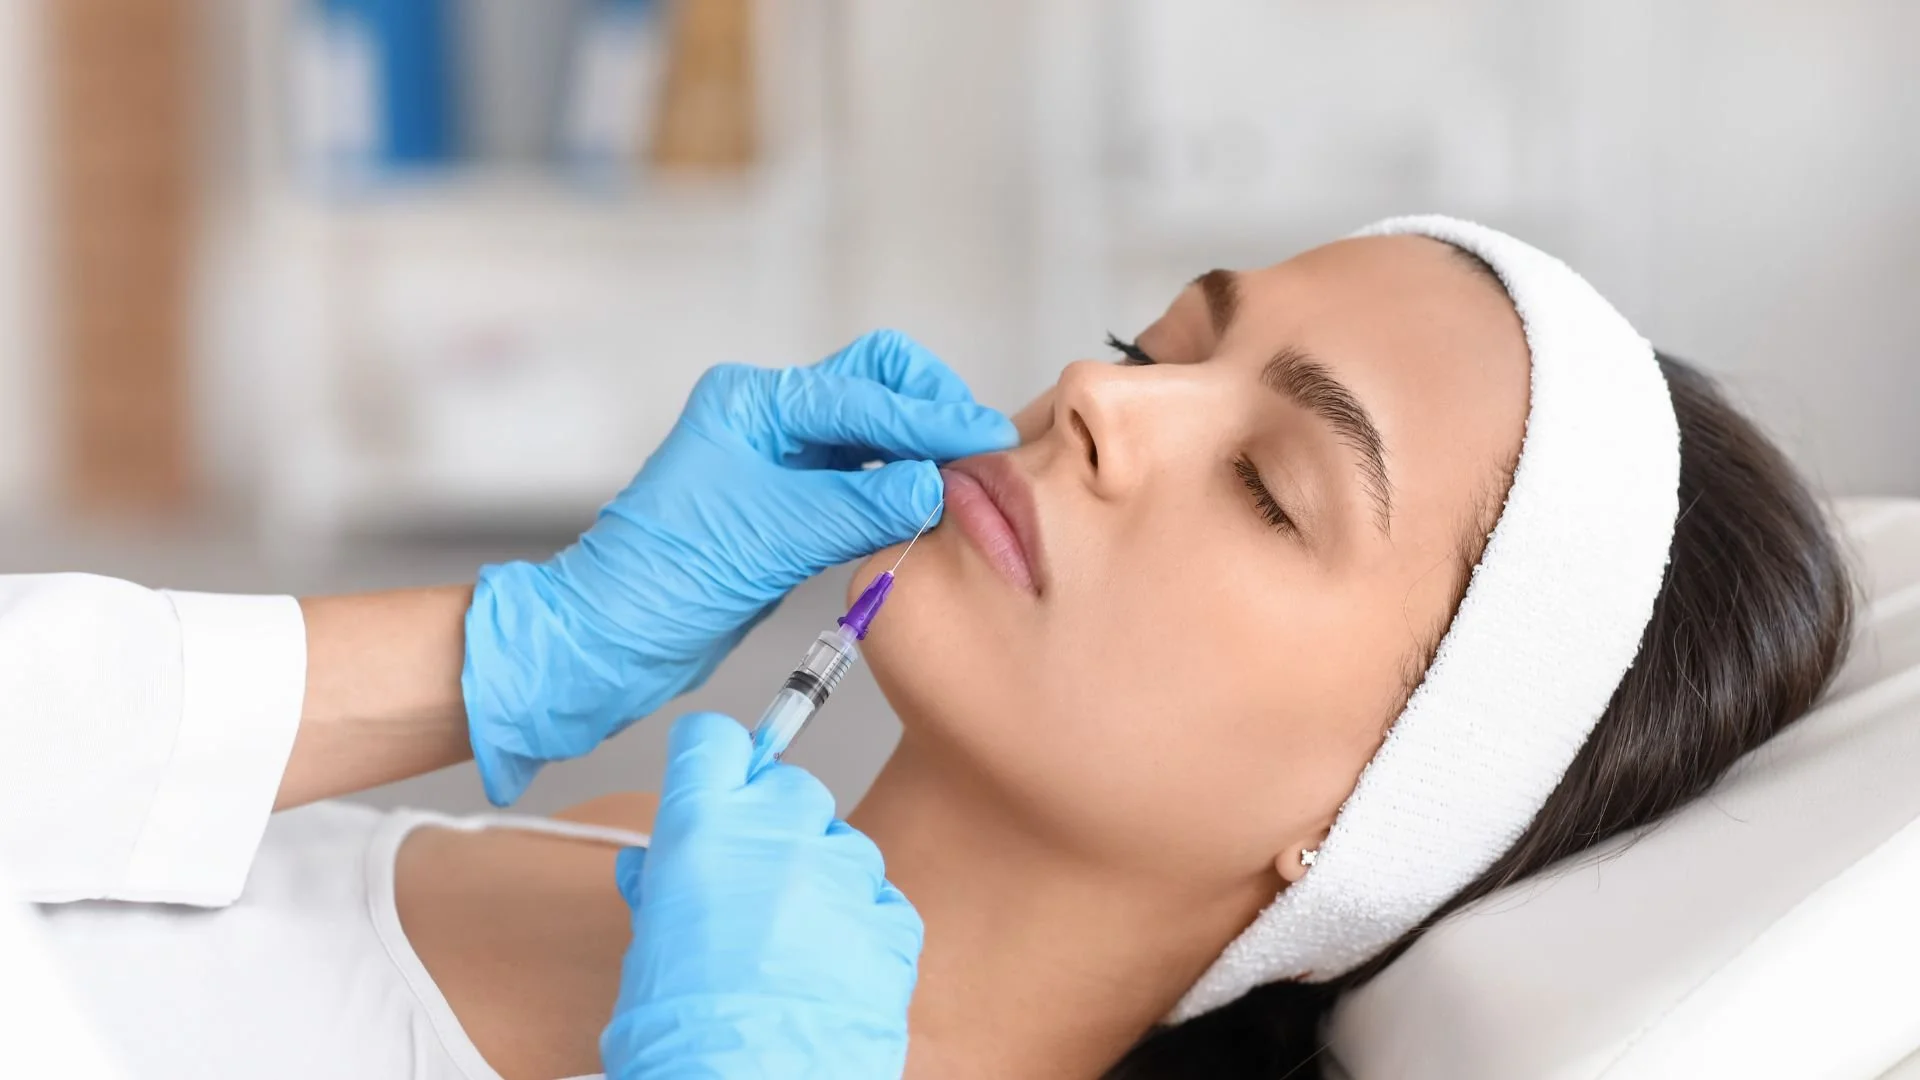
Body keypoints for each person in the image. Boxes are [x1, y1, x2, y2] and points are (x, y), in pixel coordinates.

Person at [26, 217, 1856, 1079]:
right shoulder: (585, 839)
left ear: (1364, 829)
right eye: (1154, 344)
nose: (1098, 405)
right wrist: (505, 652)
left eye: (1275, 490)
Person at [1, 330, 1016, 1078]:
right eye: (1135, 352)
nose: (1099, 393)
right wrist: (533, 644)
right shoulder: (623, 854)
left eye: (1189, 480)